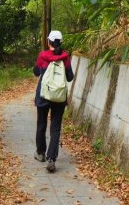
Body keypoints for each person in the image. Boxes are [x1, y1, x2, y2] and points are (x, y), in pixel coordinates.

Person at [33, 30, 74, 173]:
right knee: (55, 127)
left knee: (41, 123)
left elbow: (36, 72)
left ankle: (40, 153)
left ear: (48, 42)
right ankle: (51, 159)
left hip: (43, 95)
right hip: (59, 97)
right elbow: (70, 77)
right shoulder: (65, 57)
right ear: (60, 42)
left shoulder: (42, 56)